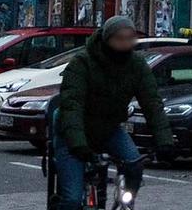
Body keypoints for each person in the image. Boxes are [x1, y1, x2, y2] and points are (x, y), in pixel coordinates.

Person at [50, 16, 173, 210]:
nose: (124, 44)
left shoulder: (137, 66)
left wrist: (165, 141)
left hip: (108, 129)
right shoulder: (82, 62)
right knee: (72, 199)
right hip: (72, 130)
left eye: (129, 38)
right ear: (107, 39)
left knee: (134, 163)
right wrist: (79, 145)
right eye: (119, 38)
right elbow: (72, 105)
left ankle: (128, 201)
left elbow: (153, 104)